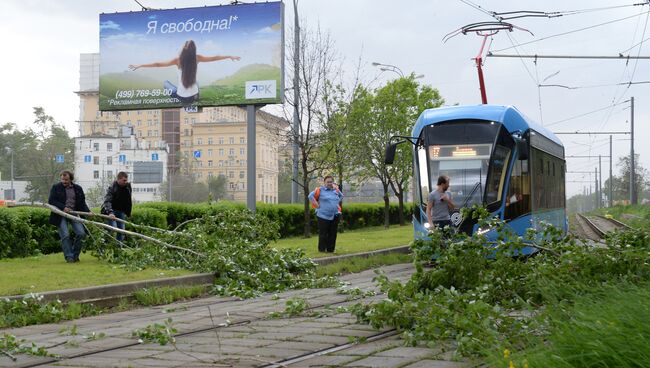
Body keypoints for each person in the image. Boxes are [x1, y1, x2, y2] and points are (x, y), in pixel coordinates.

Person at [129, 40, 240, 104]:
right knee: (196, 82)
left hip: (182, 97)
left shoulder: (178, 60)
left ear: (183, 49)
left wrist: (140, 65)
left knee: (166, 83)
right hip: (195, 96)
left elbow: (158, 64)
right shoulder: (197, 58)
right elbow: (214, 58)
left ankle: (176, 96)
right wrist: (229, 56)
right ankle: (194, 94)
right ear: (194, 50)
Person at [48, 170, 90, 263]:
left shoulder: (78, 188)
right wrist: (63, 207)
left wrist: (88, 211)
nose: (64, 182)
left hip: (74, 213)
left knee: (81, 233)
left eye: (66, 180)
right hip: (60, 214)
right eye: (62, 179)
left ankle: (75, 255)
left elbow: (82, 203)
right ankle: (69, 257)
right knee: (65, 235)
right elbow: (51, 201)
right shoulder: (56, 187)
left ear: (71, 179)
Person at [308, 176, 344, 253]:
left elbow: (341, 196)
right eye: (328, 182)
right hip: (323, 215)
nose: (329, 183)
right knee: (323, 233)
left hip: (335, 215)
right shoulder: (320, 190)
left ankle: (331, 250)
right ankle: (322, 250)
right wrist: (316, 205)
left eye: (331, 182)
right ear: (324, 183)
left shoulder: (335, 191)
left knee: (333, 233)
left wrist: (335, 202)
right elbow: (310, 196)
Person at [101, 171, 133, 242]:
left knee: (121, 231)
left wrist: (128, 213)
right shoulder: (112, 187)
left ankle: (119, 249)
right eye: (124, 180)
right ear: (118, 179)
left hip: (121, 211)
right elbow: (107, 201)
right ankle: (104, 243)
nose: (125, 182)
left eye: (126, 180)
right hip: (111, 211)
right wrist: (110, 212)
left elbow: (128, 201)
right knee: (113, 229)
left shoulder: (128, 187)